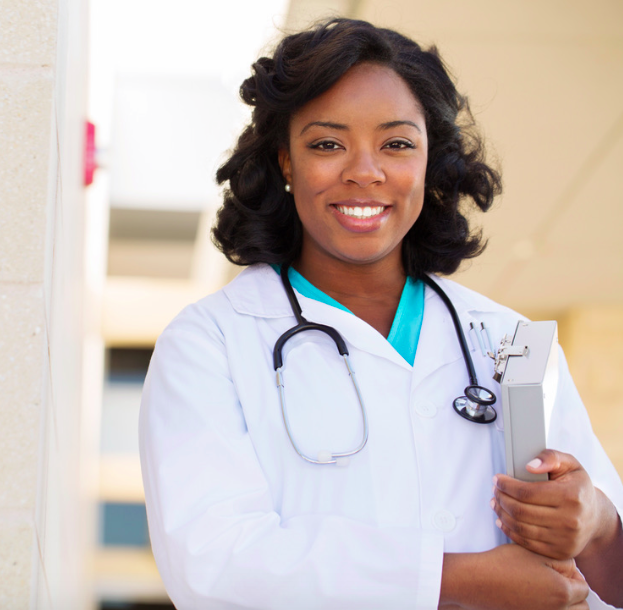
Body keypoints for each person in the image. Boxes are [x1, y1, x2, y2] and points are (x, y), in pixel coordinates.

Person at [139, 18, 623, 610]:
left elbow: (603, 579)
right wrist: (460, 580)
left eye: (396, 144)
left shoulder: (507, 338)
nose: (364, 171)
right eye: (326, 144)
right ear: (285, 162)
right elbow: (214, 564)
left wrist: (597, 521)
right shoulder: (211, 341)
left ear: (429, 161)